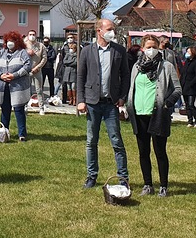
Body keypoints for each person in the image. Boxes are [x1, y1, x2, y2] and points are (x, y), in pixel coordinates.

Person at [125, 34, 181, 196]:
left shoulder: (167, 66)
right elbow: (132, 87)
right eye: (148, 47)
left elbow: (177, 89)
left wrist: (167, 103)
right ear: (142, 48)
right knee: (143, 152)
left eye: (154, 47)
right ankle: (147, 184)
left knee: (160, 151)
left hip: (158, 113)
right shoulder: (136, 67)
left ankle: (163, 186)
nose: (151, 50)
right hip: (139, 114)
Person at [77, 18, 130, 188]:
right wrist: (81, 100)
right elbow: (81, 76)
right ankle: (91, 176)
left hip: (111, 104)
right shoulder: (87, 51)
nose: (112, 32)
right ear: (99, 31)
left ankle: (123, 178)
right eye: (109, 29)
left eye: (113, 29)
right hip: (92, 103)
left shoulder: (119, 51)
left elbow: (126, 76)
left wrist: (122, 97)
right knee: (91, 141)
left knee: (117, 141)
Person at [0, 31, 32, 142]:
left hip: (17, 86)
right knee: (5, 109)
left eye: (12, 41)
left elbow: (27, 66)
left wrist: (14, 75)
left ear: (17, 42)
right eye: (8, 41)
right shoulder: (1, 52)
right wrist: (0, 75)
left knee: (19, 109)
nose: (9, 43)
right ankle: (4, 132)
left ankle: (22, 134)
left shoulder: (22, 52)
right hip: (3, 87)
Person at [179, 45, 196, 127]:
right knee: (187, 105)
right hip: (184, 86)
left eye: (188, 52)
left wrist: (191, 83)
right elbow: (183, 74)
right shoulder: (187, 62)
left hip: (192, 87)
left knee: (191, 104)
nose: (187, 53)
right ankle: (190, 121)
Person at [25, 31, 47, 114]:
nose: (32, 36)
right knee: (27, 89)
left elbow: (44, 58)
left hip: (37, 70)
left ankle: (41, 107)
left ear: (36, 36)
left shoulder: (41, 46)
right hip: (27, 70)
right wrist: (27, 52)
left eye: (33, 35)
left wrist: (38, 67)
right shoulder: (24, 45)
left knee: (39, 90)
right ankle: (25, 106)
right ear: (28, 36)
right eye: (30, 34)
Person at [55, 38, 79, 105]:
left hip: (73, 72)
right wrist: (71, 62)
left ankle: (74, 99)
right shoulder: (67, 54)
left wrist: (69, 63)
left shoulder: (77, 55)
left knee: (73, 86)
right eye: (70, 48)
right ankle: (70, 99)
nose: (71, 49)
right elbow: (64, 61)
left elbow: (75, 63)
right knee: (68, 86)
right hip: (67, 72)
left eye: (72, 48)